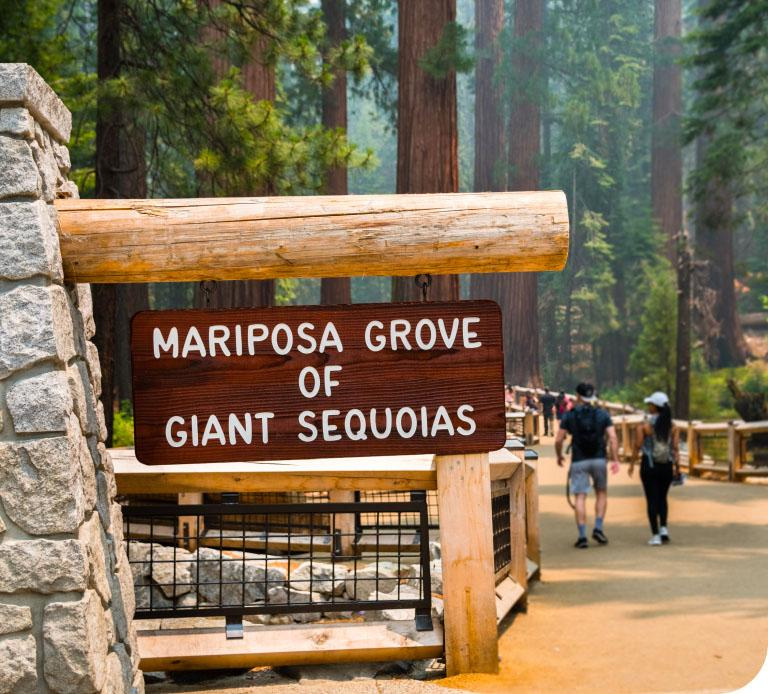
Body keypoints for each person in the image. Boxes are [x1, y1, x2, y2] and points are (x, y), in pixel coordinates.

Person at [555, 383, 620, 548]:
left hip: (579, 460)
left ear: (577, 395)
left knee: (580, 497)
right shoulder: (602, 414)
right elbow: (612, 438)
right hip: (599, 459)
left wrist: (559, 455)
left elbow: (558, 439)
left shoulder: (569, 415)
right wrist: (615, 459)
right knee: (601, 493)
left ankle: (582, 536)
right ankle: (598, 527)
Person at [630, 391, 680, 546]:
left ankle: (655, 534)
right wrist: (677, 467)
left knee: (651, 499)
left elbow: (638, 446)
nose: (648, 406)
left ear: (654, 406)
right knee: (662, 498)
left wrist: (632, 464)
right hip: (667, 466)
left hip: (649, 466)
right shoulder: (672, 426)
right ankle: (664, 528)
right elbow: (675, 448)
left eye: (650, 404)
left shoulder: (644, 426)